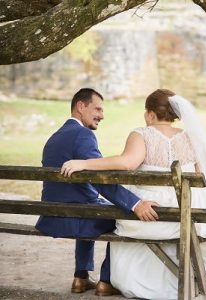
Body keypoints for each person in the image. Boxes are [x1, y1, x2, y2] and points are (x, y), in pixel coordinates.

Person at [61, 89, 206, 300]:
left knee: (122, 220)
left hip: (152, 216)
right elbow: (203, 177)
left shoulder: (142, 134)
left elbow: (127, 162)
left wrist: (84, 163)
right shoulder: (191, 137)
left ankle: (111, 281)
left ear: (150, 114)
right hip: (189, 216)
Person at [35, 88, 159, 297]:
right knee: (123, 218)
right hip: (76, 217)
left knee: (95, 208)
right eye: (98, 109)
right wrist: (136, 204)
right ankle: (106, 281)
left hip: (51, 216)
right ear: (81, 106)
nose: (102, 115)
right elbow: (102, 181)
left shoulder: (55, 136)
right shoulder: (83, 135)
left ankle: (81, 277)